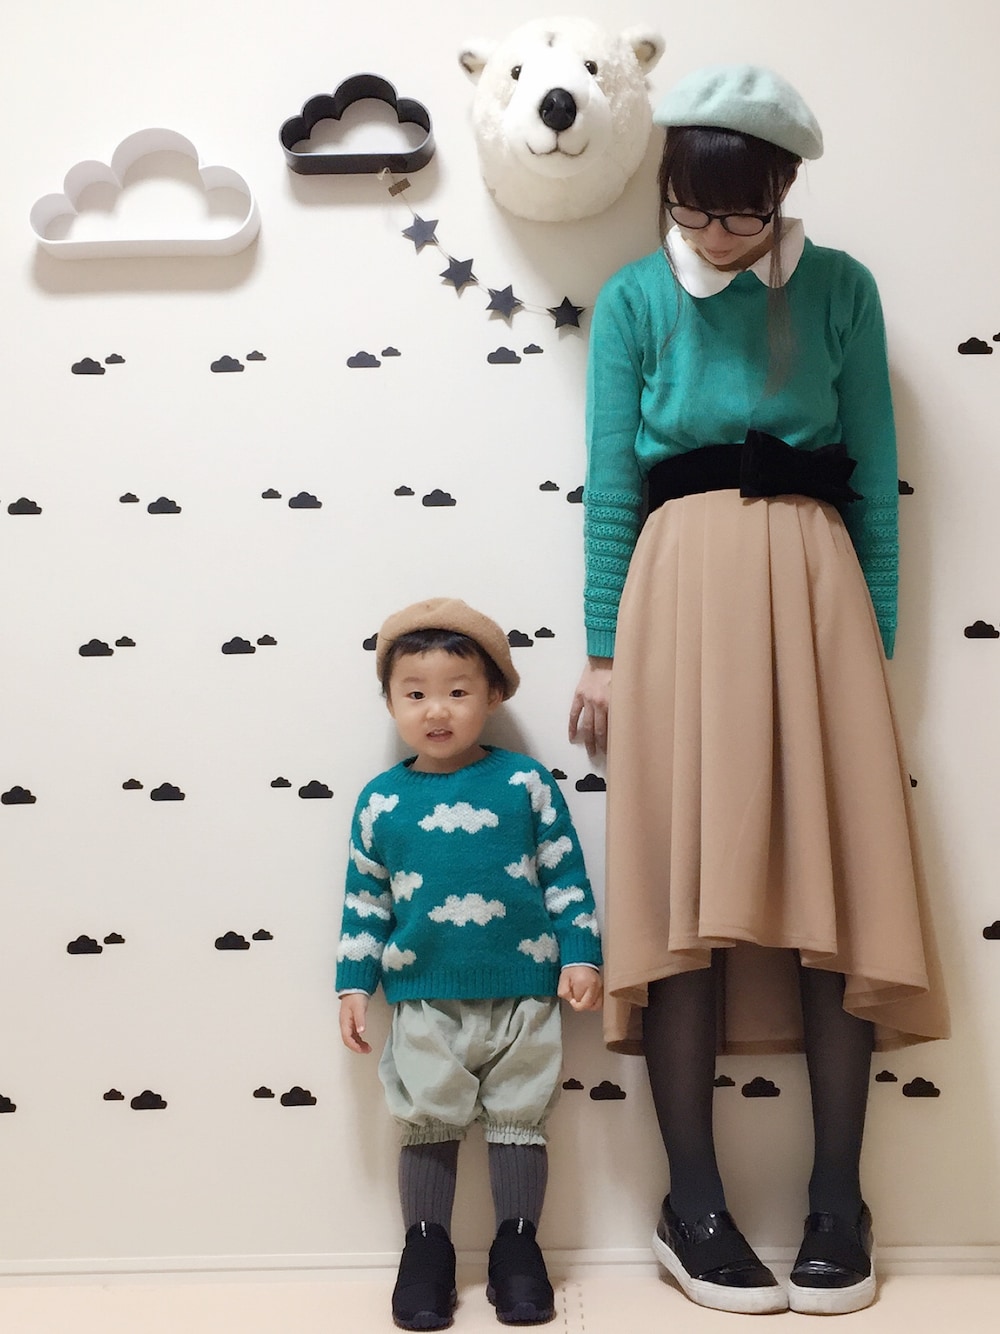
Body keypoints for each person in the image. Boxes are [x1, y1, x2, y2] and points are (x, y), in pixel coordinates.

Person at [568, 65, 948, 1316]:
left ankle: (839, 1199)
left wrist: (870, 643)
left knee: (838, 887)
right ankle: (693, 1203)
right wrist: (602, 650)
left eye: (742, 211)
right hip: (676, 595)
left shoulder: (841, 288)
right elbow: (612, 484)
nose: (718, 232)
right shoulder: (635, 298)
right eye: (694, 209)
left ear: (784, 188)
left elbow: (873, 473)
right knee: (685, 895)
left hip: (816, 592)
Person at [338, 597, 603, 1330]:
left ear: (492, 696)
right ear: (390, 702)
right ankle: (425, 1250)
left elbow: (566, 878)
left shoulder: (525, 784)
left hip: (526, 993)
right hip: (422, 997)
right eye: (415, 693)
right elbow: (365, 902)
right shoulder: (381, 801)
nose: (437, 710)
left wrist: (581, 955)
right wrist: (354, 985)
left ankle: (518, 1248)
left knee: (520, 1116)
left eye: (457, 691)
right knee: (428, 1117)